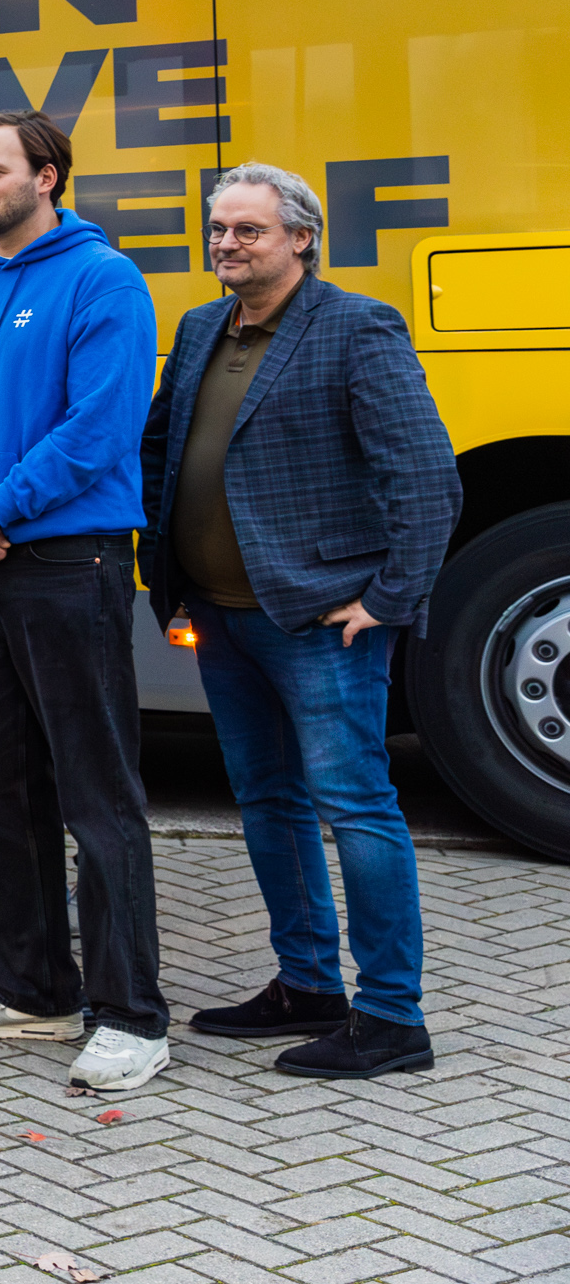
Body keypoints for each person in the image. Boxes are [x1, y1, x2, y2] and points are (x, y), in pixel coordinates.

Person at [142, 165, 458, 1080]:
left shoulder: (357, 326)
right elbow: (163, 448)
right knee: (267, 802)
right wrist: (167, 572)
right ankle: (307, 984)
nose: (227, 244)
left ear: (301, 239)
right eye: (218, 228)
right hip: (220, 617)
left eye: (248, 230)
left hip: (320, 623)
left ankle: (392, 1016)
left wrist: (389, 599)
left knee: (355, 806)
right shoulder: (201, 327)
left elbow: (425, 477)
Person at [0, 110, 168, 1093]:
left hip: (67, 562)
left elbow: (99, 428)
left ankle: (130, 1015)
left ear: (47, 175)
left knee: (96, 793)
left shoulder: (103, 278)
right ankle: (30, 989)